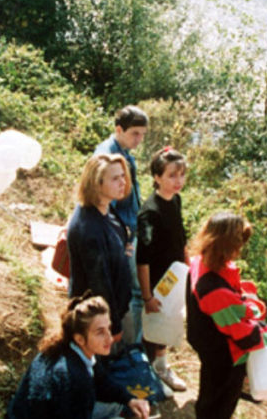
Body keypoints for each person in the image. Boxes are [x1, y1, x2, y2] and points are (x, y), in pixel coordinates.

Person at [7, 294, 151, 419]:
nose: (110, 338)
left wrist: (130, 400)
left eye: (109, 328)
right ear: (80, 338)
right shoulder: (74, 377)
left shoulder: (68, 348)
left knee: (116, 405)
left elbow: (101, 382)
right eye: (100, 332)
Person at [187, 213, 267, 419]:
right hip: (223, 354)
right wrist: (266, 333)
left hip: (206, 343)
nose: (239, 251)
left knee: (209, 392)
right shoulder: (213, 289)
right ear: (225, 246)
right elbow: (244, 335)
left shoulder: (199, 261)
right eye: (237, 245)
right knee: (220, 402)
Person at [67, 154, 134, 348]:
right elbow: (99, 285)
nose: (123, 182)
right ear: (97, 183)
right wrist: (112, 327)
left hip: (114, 308)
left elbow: (116, 231)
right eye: (115, 178)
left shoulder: (104, 206)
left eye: (123, 175)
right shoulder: (89, 230)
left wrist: (121, 247)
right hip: (96, 320)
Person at [94, 106, 148, 346]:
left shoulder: (124, 151)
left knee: (131, 291)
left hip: (130, 229)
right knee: (131, 293)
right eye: (135, 133)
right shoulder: (108, 157)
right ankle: (129, 347)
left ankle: (129, 344)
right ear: (119, 129)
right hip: (122, 235)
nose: (140, 139)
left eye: (143, 134)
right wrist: (122, 239)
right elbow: (105, 205)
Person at [137, 147, 189, 393]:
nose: (178, 181)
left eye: (181, 175)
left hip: (175, 276)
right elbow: (143, 259)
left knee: (169, 321)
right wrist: (148, 297)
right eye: (171, 175)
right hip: (158, 280)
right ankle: (150, 375)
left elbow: (182, 239)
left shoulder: (176, 200)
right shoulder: (149, 212)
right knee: (155, 325)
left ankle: (161, 366)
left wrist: (188, 270)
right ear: (157, 177)